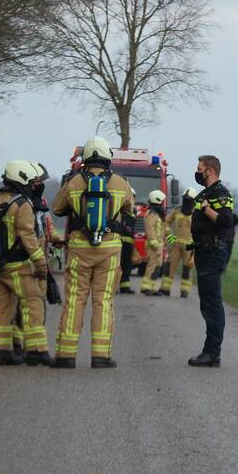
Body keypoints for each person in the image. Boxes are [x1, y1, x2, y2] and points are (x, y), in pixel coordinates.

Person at [51, 136, 133, 368]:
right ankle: (101, 356)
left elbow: (57, 208)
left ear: (85, 158)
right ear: (108, 157)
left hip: (80, 248)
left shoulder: (74, 182)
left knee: (75, 301)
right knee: (103, 301)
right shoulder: (121, 182)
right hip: (110, 249)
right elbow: (129, 209)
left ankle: (66, 355)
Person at [0, 160, 49, 366]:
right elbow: (27, 235)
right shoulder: (22, 204)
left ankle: (1, 351)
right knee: (33, 303)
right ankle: (36, 350)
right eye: (30, 181)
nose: (32, 185)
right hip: (18, 266)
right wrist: (40, 262)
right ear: (21, 179)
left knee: (2, 306)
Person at [187, 155, 234, 367]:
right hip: (204, 252)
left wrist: (206, 209)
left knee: (212, 304)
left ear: (210, 170)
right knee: (207, 302)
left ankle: (212, 353)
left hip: (213, 253)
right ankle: (210, 351)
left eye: (200, 169)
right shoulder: (207, 193)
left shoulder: (219, 193)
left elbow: (226, 221)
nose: (197, 172)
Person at [161, 188, 197, 298]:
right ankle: (165, 289)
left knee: (187, 268)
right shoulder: (176, 211)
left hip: (189, 245)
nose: (186, 201)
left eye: (188, 200)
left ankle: (184, 291)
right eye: (185, 199)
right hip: (175, 243)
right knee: (170, 266)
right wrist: (169, 236)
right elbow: (166, 222)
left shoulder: (197, 213)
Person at [140, 190, 167, 296]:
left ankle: (151, 287)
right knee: (152, 265)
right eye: (162, 201)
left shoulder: (157, 213)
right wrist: (154, 242)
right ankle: (146, 287)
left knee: (157, 266)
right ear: (158, 200)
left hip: (158, 244)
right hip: (153, 245)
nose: (163, 203)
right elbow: (149, 229)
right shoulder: (152, 213)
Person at [118, 187, 137, 294]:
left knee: (127, 265)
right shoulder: (119, 208)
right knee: (118, 265)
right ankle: (114, 287)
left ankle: (125, 287)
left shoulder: (133, 210)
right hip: (119, 241)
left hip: (129, 243)